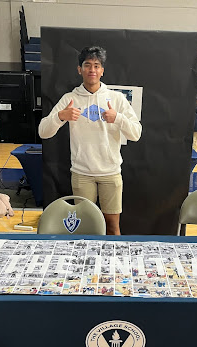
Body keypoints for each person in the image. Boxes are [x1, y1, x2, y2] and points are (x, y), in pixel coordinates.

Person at [38, 46, 142, 235]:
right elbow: (43, 132)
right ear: (80, 69)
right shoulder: (70, 98)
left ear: (102, 70)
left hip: (110, 173)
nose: (92, 70)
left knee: (112, 226)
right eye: (87, 65)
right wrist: (61, 116)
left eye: (96, 65)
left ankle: (112, 263)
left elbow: (136, 133)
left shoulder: (116, 99)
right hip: (82, 173)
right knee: (85, 226)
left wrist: (118, 118)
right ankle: (86, 263)